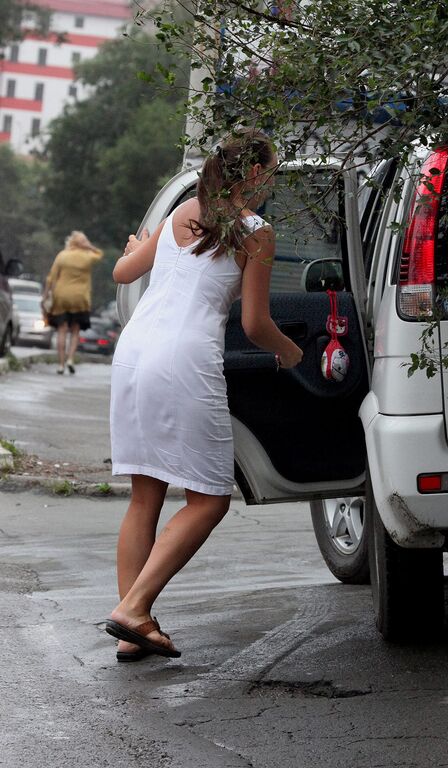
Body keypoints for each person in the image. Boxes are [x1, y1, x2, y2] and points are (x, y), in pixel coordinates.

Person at [104, 130, 303, 661]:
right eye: (272, 173)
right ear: (255, 176)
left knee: (144, 497)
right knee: (210, 498)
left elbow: (124, 271)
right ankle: (133, 609)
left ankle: (135, 626)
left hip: (134, 355)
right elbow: (256, 323)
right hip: (185, 362)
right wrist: (290, 352)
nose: (271, 184)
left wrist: (138, 247)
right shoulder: (256, 232)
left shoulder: (182, 212)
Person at [42, 231, 103, 374]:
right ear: (82, 243)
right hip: (80, 298)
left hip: (61, 296)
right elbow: (99, 254)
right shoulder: (88, 257)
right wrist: (89, 246)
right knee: (75, 331)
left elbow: (51, 278)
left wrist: (45, 295)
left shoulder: (62, 256)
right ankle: (70, 359)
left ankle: (61, 365)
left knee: (62, 330)